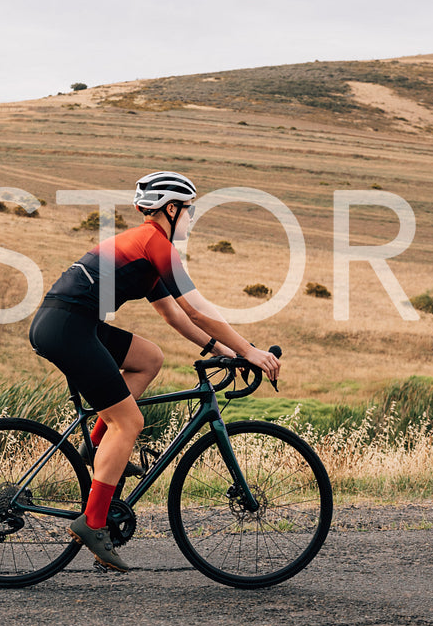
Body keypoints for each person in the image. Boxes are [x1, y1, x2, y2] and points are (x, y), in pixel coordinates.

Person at [27, 171, 281, 571]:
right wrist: (248, 351)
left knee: (149, 358)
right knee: (130, 422)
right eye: (190, 210)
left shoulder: (143, 249)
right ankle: (92, 523)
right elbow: (197, 308)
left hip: (69, 322)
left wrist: (220, 351)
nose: (192, 218)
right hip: (68, 328)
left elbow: (175, 316)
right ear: (171, 208)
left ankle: (96, 445)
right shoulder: (154, 244)